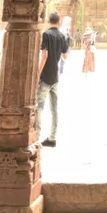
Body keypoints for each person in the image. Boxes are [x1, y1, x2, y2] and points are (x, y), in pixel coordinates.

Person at [38, 11, 69, 147]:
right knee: (54, 109)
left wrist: (37, 73)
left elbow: (44, 55)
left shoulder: (46, 34)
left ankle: (36, 135)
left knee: (40, 106)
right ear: (59, 21)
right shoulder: (62, 36)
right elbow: (65, 56)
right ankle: (52, 137)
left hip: (45, 75)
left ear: (49, 20)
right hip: (55, 76)